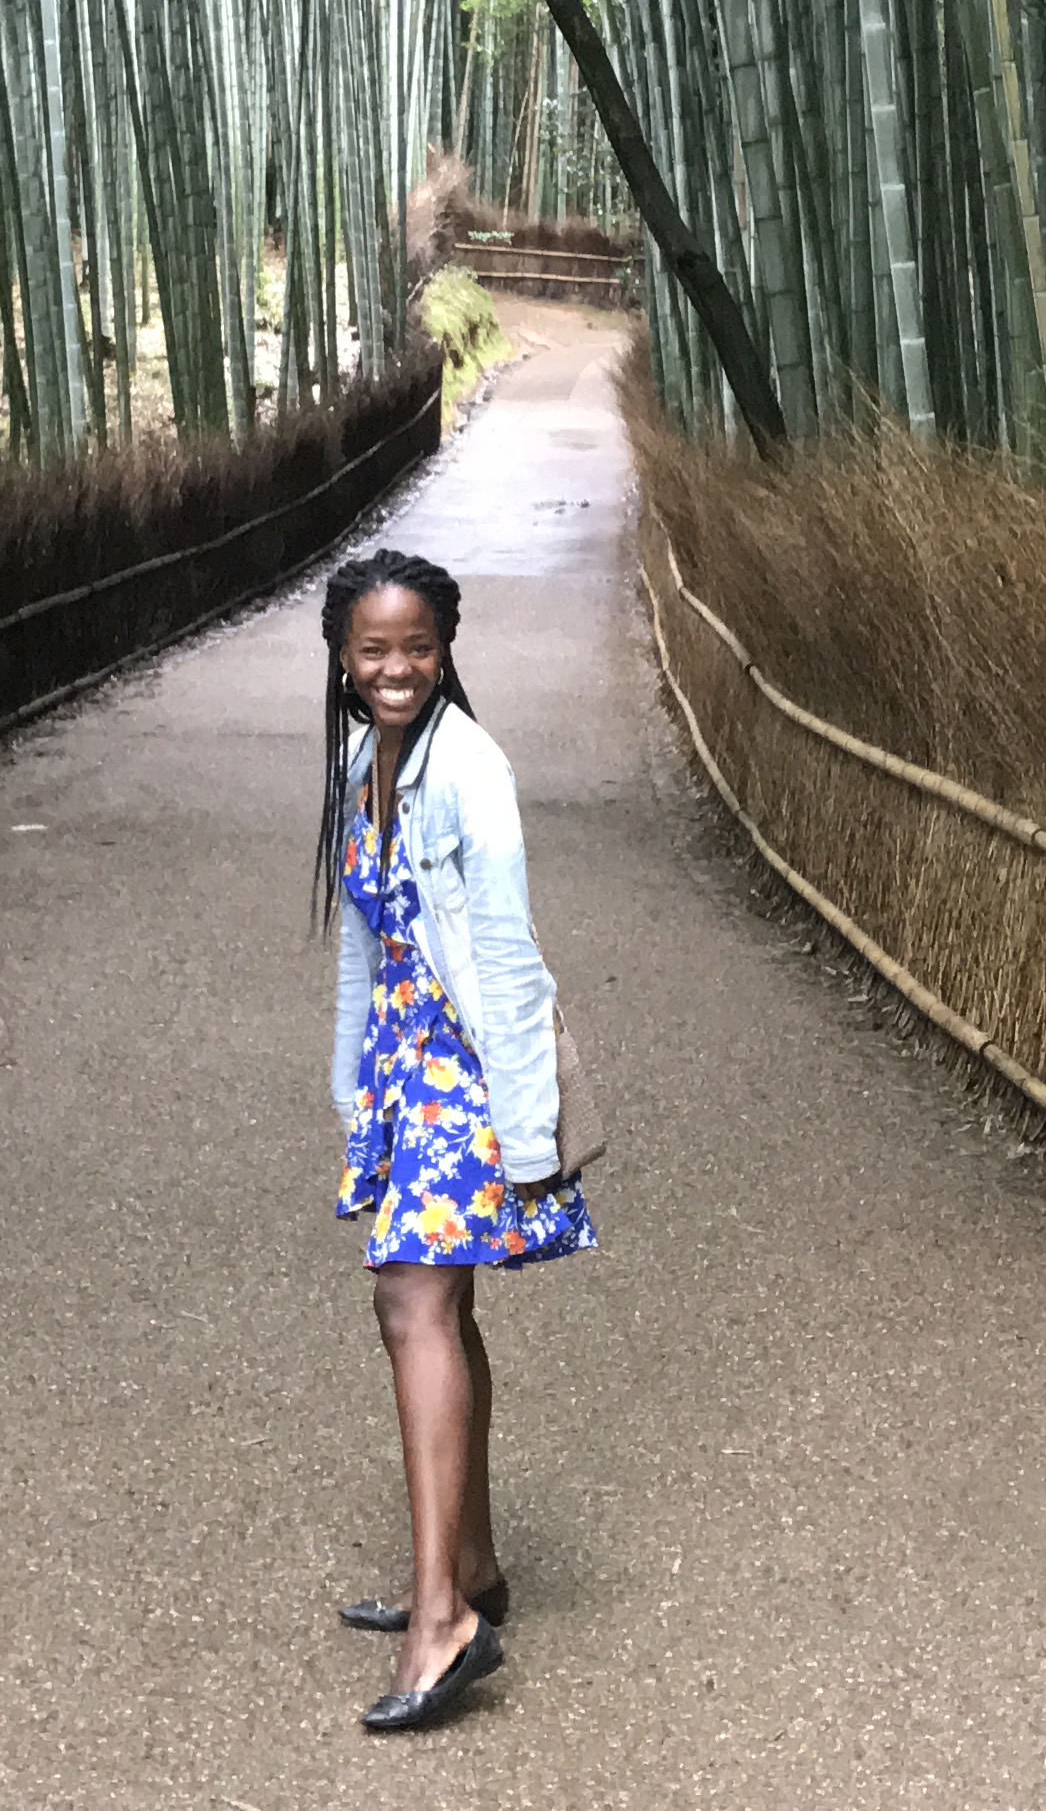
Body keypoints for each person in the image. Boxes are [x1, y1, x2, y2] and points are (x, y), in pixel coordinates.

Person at [315, 546, 595, 1733]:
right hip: (401, 1068)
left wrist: (527, 1135)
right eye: (375, 650)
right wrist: (350, 1088)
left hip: (463, 1070)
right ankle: (470, 1566)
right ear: (342, 658)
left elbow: (508, 952)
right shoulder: (359, 758)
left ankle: (443, 1621)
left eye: (419, 647)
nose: (398, 668)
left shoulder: (470, 767)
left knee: (410, 1301)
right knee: (444, 1305)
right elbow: (366, 941)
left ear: (446, 651)